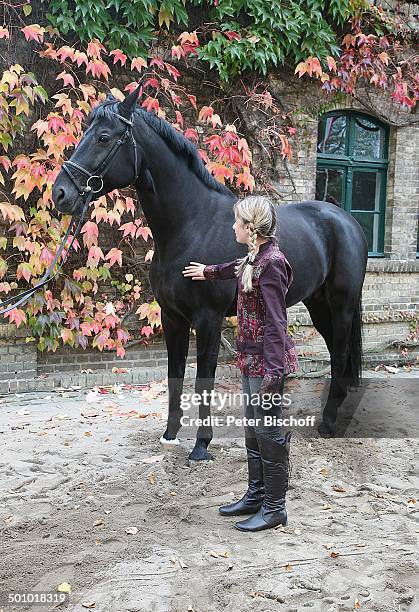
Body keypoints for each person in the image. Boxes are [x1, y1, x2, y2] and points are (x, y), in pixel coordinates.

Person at [182, 195, 299, 532]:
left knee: (269, 431)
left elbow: (278, 323)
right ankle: (256, 495)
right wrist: (206, 271)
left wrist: (274, 375)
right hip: (250, 358)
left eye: (236, 222)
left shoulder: (272, 262)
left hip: (268, 363)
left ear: (251, 228)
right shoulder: (255, 257)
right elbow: (234, 268)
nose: (232, 226)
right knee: (253, 429)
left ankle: (275, 508)